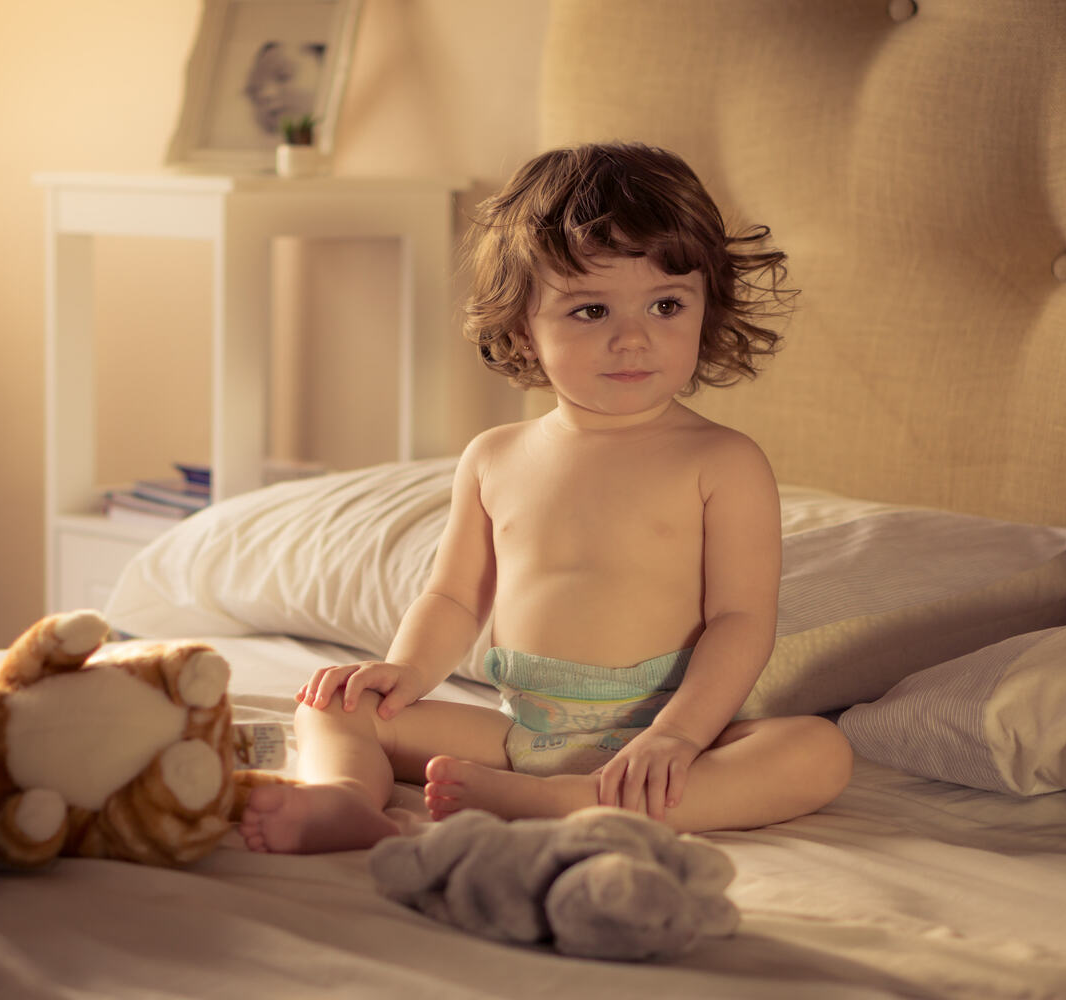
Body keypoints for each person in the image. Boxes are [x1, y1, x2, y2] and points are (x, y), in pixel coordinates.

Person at [239, 142, 853, 854]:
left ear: (706, 308)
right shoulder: (495, 456)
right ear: (520, 330)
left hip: (668, 733)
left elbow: (742, 620)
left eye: (665, 304)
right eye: (590, 310)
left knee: (817, 753)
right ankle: (344, 798)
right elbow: (454, 599)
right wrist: (403, 673)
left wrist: (677, 736)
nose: (632, 338)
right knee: (329, 708)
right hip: (523, 730)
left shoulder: (723, 462)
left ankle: (574, 803)